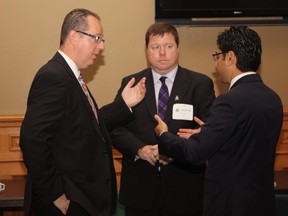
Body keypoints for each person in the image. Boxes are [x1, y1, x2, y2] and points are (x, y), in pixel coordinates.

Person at [20, 8, 146, 216]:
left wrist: (123, 105)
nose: (102, 46)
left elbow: (89, 126)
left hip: (83, 200)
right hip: (68, 202)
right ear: (74, 37)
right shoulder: (54, 77)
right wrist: (56, 195)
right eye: (97, 38)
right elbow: (32, 139)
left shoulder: (70, 76)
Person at [154, 26, 283, 216]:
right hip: (261, 202)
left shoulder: (229, 101)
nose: (216, 65)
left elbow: (194, 153)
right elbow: (244, 141)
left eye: (217, 56)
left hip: (230, 205)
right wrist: (209, 133)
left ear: (230, 58)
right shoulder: (273, 98)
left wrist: (164, 134)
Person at [110, 22, 215, 216]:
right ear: (147, 51)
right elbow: (115, 128)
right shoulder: (131, 83)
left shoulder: (200, 85)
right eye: (155, 47)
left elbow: (209, 132)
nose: (162, 53)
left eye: (168, 46)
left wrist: (177, 148)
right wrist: (140, 150)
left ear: (178, 49)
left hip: (185, 191)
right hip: (140, 190)